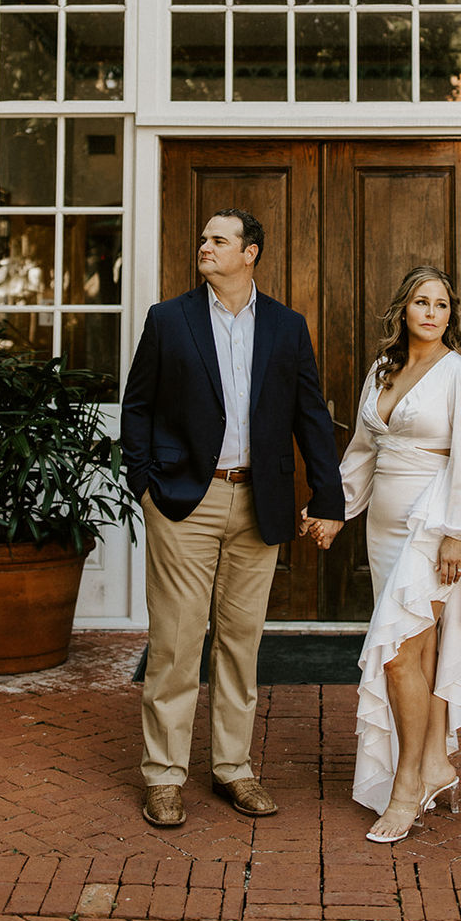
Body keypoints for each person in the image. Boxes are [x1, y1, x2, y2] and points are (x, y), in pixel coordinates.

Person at [121, 208, 344, 828]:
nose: (205, 246)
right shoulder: (169, 320)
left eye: (219, 240)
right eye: (203, 238)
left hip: (259, 502)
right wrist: (144, 484)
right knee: (176, 642)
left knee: (240, 643)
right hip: (184, 502)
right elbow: (137, 406)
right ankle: (164, 776)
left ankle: (233, 768)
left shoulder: (286, 326)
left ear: (250, 253)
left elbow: (310, 416)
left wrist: (329, 498)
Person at [302, 265, 461, 843]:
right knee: (422, 653)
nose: (432, 312)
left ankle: (406, 786)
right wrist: (334, 510)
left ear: (450, 314)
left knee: (395, 654)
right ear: (403, 310)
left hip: (434, 526)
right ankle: (435, 763)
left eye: (442, 304)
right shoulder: (382, 370)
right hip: (384, 529)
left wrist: (460, 532)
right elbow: (364, 451)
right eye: (421, 302)